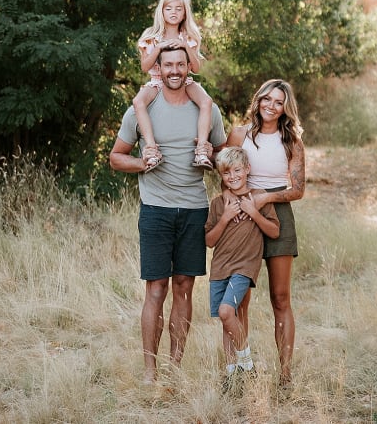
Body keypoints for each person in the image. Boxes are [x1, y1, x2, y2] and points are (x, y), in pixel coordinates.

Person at [109, 41, 227, 384]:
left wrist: (212, 156)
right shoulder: (142, 109)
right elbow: (117, 156)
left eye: (180, 64)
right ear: (157, 69)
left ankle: (175, 368)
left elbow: (224, 159)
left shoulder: (208, 109)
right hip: (156, 209)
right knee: (155, 289)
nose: (174, 70)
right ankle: (150, 372)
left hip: (194, 208)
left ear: (189, 66)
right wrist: (140, 163)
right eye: (168, 65)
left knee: (184, 288)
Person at [225, 79, 305, 386]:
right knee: (239, 298)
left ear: (286, 107)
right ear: (258, 100)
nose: (271, 106)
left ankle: (285, 374)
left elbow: (297, 189)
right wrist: (239, 205)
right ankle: (239, 371)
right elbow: (226, 176)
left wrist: (266, 197)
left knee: (281, 297)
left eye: (279, 101)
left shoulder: (292, 142)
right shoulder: (239, 134)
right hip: (243, 214)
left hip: (278, 214)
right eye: (267, 99)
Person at [204, 146, 280, 391]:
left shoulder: (258, 198)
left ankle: (247, 365)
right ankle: (231, 372)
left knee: (227, 312)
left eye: (237, 170)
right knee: (226, 321)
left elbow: (274, 231)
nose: (233, 176)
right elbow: (209, 241)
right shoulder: (218, 204)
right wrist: (225, 217)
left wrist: (254, 212)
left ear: (247, 169)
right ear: (221, 176)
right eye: (227, 173)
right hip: (220, 267)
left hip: (244, 267)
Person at [132, 0, 214, 171]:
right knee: (138, 102)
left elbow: (196, 68)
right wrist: (158, 48)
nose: (174, 12)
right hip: (157, 80)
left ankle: (201, 150)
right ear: (161, 11)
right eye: (168, 8)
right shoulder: (152, 36)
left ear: (185, 13)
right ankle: (152, 150)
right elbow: (145, 67)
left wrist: (185, 45)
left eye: (179, 9)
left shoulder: (188, 36)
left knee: (207, 101)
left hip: (183, 80)